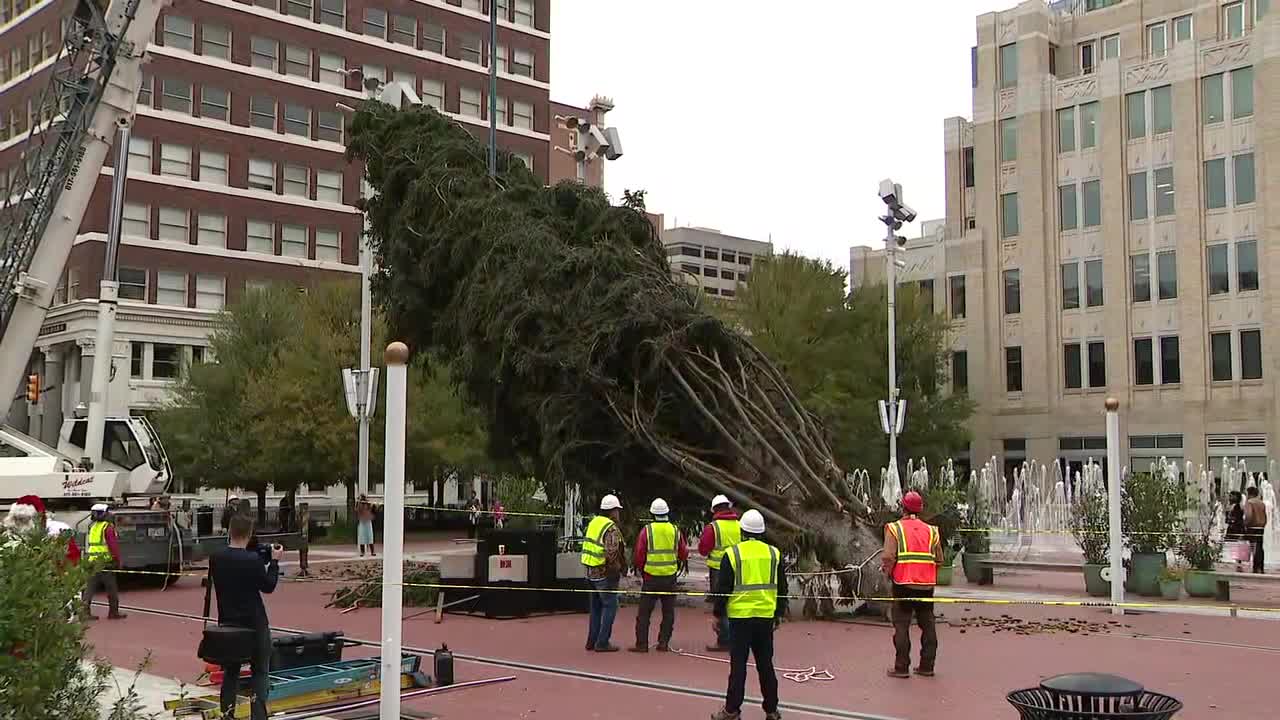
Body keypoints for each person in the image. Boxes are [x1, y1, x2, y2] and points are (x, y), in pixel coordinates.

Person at [710, 509, 785, 720]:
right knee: (766, 666)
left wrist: (717, 614)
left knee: (738, 666)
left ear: (742, 531)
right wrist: (778, 614)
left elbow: (722, 589)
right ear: (762, 532)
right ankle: (772, 710)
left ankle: (731, 710)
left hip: (740, 619)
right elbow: (782, 589)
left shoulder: (733, 554)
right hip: (765, 618)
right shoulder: (774, 554)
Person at [212, 514, 282, 720]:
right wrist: (274, 563)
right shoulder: (252, 560)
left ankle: (228, 715)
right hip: (255, 623)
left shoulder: (216, 558)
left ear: (229, 531)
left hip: (228, 622)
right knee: (259, 672)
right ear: (249, 534)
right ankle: (258, 716)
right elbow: (268, 586)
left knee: (231, 671)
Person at [882, 490, 942, 678]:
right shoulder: (932, 531)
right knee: (928, 624)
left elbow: (888, 556)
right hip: (926, 585)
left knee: (901, 625)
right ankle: (927, 666)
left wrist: (888, 573)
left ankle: (901, 667)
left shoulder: (894, 528)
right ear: (921, 508)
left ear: (903, 508)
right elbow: (939, 559)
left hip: (903, 584)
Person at [631, 497, 688, 653]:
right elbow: (683, 554)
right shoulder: (675, 530)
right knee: (668, 612)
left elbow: (639, 555)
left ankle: (641, 644)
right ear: (667, 513)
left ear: (652, 514)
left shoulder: (647, 531)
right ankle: (663, 643)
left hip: (650, 577)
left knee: (644, 613)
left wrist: (642, 570)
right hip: (669, 577)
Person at [581, 493, 626, 652]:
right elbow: (611, 553)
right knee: (610, 606)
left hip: (589, 572)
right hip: (603, 573)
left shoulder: (594, 522)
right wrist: (618, 568)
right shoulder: (610, 527)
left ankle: (591, 641)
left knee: (595, 608)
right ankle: (602, 642)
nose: (618, 514)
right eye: (617, 510)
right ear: (612, 511)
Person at [699, 494, 740, 651]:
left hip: (719, 570)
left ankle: (724, 641)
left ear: (714, 510)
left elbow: (703, 549)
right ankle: (736, 638)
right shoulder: (739, 525)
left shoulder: (713, 527)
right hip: (739, 568)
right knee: (735, 603)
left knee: (721, 605)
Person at [82, 503, 127, 620]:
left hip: (92, 561)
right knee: (111, 588)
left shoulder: (92, 526)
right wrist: (118, 560)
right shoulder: (108, 528)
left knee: (89, 588)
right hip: (105, 562)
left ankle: (84, 612)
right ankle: (113, 612)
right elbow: (113, 546)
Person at [1244, 486, 1268, 574]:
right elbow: (1265, 516)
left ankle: (1255, 567)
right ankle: (1260, 567)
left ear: (1249, 493)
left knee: (1253, 547)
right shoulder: (1262, 503)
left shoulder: (1249, 502)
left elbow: (1249, 515)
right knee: (1260, 547)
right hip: (1260, 527)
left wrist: (1245, 524)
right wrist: (1263, 524)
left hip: (1252, 527)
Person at [1226, 491, 1247, 571]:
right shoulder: (1231, 506)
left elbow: (1238, 518)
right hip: (1233, 528)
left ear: (1236, 497)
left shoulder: (1238, 506)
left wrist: (1232, 520)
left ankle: (1239, 563)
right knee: (1234, 546)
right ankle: (1237, 563)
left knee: (1237, 545)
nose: (1229, 497)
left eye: (1231, 496)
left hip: (1237, 529)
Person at [296, 502, 311, 578]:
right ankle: (303, 568)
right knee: (303, 551)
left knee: (304, 551)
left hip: (304, 536)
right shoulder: (302, 516)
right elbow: (301, 525)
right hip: (303, 536)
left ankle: (304, 568)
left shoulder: (304, 516)